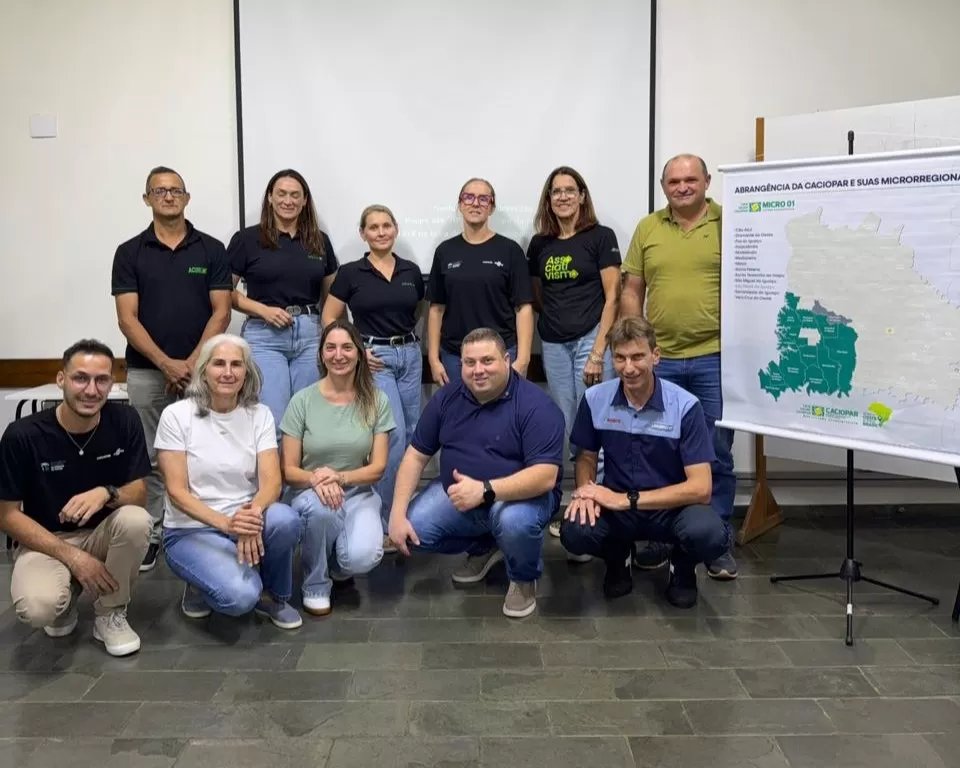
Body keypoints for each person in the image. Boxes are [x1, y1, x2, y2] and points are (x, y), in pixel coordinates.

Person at [389, 328, 565, 619]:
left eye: (487, 361)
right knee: (412, 532)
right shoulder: (447, 398)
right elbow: (415, 456)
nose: (478, 370)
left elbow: (545, 476)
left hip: (523, 497)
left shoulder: (537, 406)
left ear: (506, 360)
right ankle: (487, 546)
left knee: (513, 523)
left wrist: (484, 490)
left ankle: (523, 578)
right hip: (462, 494)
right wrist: (396, 515)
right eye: (469, 363)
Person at [619, 154, 738, 580]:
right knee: (658, 453)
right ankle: (661, 537)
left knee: (715, 453)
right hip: (662, 360)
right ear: (663, 186)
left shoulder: (731, 222)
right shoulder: (648, 228)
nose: (682, 187)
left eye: (690, 179)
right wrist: (636, 346)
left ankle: (717, 541)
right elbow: (632, 289)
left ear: (706, 181)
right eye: (673, 181)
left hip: (715, 357)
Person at [559, 317, 731, 608]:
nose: (629, 368)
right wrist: (586, 491)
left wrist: (628, 500)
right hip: (618, 510)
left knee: (710, 534)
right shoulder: (594, 399)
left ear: (656, 356)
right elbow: (586, 455)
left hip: (671, 510)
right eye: (621, 358)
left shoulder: (686, 406)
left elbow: (701, 489)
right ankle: (618, 558)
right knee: (575, 530)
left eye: (638, 356)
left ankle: (683, 566)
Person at [112, 165, 233, 572]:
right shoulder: (129, 252)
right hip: (148, 372)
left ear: (187, 198)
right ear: (147, 198)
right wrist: (165, 363)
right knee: (150, 456)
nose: (168, 196)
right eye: (159, 190)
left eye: (175, 190)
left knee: (205, 452)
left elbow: (222, 311)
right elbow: (127, 319)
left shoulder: (211, 249)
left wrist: (193, 364)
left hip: (204, 372)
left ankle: (199, 528)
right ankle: (152, 532)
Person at [0, 340, 152, 656]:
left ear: (112, 383)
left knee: (136, 520)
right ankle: (64, 598)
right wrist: (74, 558)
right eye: (80, 378)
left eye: (101, 380)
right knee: (39, 608)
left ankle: (110, 612)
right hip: (46, 540)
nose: (91, 390)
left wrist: (107, 493)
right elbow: (7, 515)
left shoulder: (125, 420)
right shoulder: (22, 435)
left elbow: (138, 494)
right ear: (61, 379)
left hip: (103, 534)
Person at [155, 334, 303, 629]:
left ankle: (273, 596)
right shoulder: (177, 415)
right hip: (190, 529)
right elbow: (176, 493)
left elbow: (272, 483)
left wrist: (250, 517)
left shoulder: (259, 414)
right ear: (203, 371)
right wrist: (227, 524)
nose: (228, 372)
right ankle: (198, 584)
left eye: (236, 364)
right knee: (239, 598)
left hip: (244, 518)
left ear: (246, 372)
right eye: (219, 364)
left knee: (286, 520)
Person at [321, 205, 425, 549]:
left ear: (395, 229)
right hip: (375, 359)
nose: (381, 232)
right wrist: (358, 350)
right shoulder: (351, 272)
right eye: (373, 227)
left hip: (410, 354)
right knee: (391, 436)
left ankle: (403, 507)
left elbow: (418, 309)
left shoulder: (411, 270)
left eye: (386, 226)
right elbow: (330, 317)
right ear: (363, 233)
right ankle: (386, 522)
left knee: (413, 433)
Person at [527, 166, 622, 540]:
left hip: (590, 342)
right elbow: (537, 294)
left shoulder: (600, 237)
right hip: (553, 344)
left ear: (582, 196)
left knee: (597, 424)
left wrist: (598, 352)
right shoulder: (540, 245)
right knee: (568, 426)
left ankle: (597, 506)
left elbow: (613, 297)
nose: (563, 197)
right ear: (548, 199)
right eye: (556, 191)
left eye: (570, 190)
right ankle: (578, 500)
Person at [280, 320, 395, 616]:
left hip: (358, 493)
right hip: (311, 493)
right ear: (321, 355)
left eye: (346, 347)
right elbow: (289, 471)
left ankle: (336, 566)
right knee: (322, 510)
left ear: (359, 353)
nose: (338, 355)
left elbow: (378, 468)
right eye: (330, 348)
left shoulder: (377, 400)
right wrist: (319, 480)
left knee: (361, 557)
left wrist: (339, 477)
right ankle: (315, 585)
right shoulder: (301, 401)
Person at [228, 169, 339, 438]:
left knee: (310, 422)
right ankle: (274, 469)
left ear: (304, 201)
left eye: (295, 195)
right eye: (281, 194)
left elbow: (333, 298)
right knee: (274, 422)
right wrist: (261, 310)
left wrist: (332, 337)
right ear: (270, 197)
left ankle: (304, 469)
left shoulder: (319, 241)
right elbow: (224, 293)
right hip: (264, 336)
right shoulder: (246, 240)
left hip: (310, 336)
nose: (288, 201)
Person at [426, 178, 534, 386]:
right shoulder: (445, 251)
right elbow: (436, 309)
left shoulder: (510, 250)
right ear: (460, 204)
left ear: (491, 207)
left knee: (503, 407)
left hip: (501, 354)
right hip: (455, 357)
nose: (475, 203)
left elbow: (523, 308)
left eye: (483, 199)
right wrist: (433, 359)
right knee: (458, 408)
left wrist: (523, 359)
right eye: (469, 197)